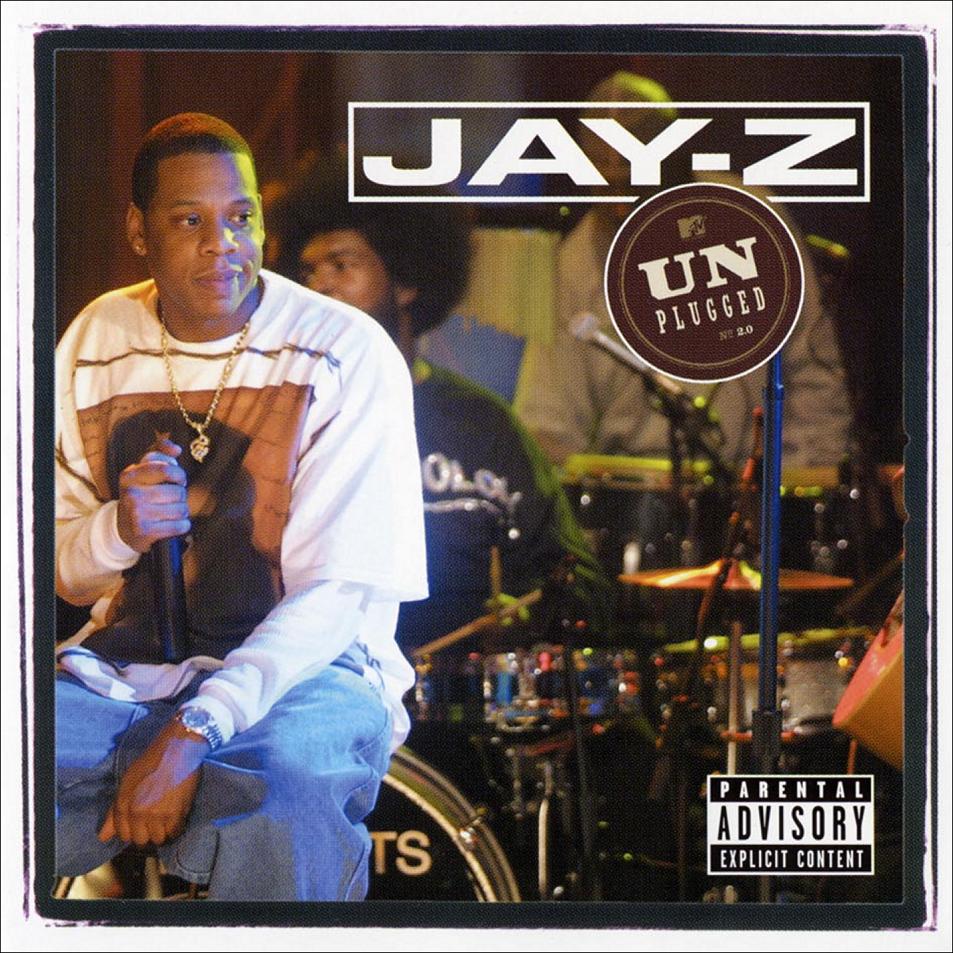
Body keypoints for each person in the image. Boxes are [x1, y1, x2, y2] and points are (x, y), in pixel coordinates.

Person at [54, 114, 427, 901]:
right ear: (138, 231)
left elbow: (334, 599)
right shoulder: (95, 337)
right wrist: (118, 529)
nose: (221, 243)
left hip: (311, 673)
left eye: (240, 216)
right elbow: (64, 572)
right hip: (126, 666)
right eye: (189, 220)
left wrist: (195, 729)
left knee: (285, 789)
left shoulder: (344, 350)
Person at [270, 161, 605, 653]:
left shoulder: (483, 426)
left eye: (341, 265)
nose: (319, 287)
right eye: (307, 272)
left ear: (406, 282)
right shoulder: (282, 418)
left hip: (465, 687)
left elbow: (572, 576)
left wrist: (527, 614)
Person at [515, 72, 853, 472]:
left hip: (755, 481)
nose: (621, 206)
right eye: (607, 185)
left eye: (636, 183)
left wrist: (791, 489)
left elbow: (813, 380)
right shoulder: (570, 272)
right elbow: (547, 429)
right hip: (633, 493)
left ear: (678, 162)